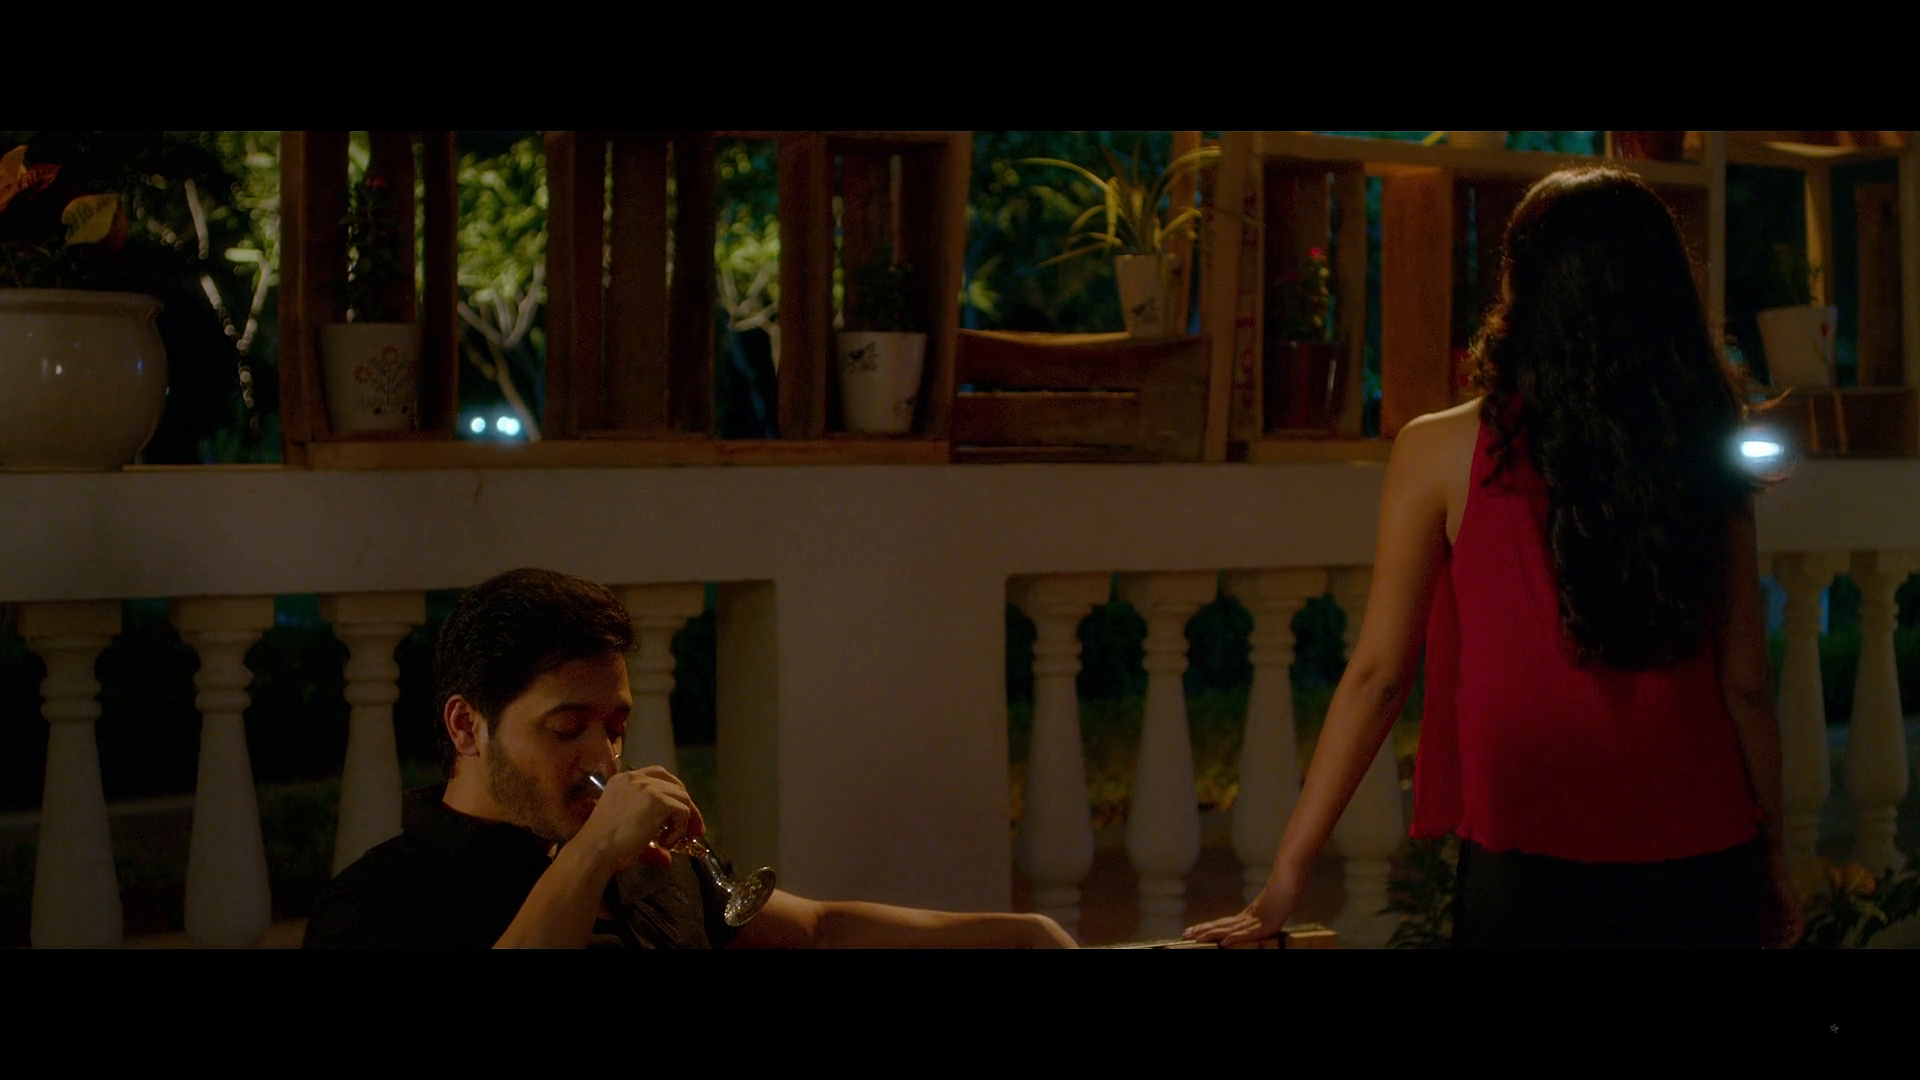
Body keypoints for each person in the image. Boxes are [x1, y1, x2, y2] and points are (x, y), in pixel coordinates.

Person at [1185, 166, 1804, 949]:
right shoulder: (1703, 445)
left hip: (1529, 855)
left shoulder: (1441, 448)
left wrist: (1286, 878)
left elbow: (1378, 677)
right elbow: (1746, 682)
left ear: (1521, 286)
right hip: (1702, 848)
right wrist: (1772, 854)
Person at [303, 567, 1075, 949]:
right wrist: (592, 855)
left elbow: (816, 928)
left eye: (615, 726)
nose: (603, 755)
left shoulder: (643, 867)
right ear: (467, 727)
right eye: (566, 727)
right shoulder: (380, 904)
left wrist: (1021, 934)